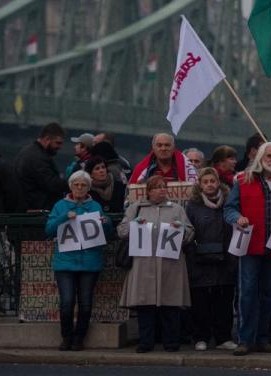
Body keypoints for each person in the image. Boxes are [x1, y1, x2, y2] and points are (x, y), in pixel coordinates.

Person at [223, 141, 271, 356]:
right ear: (260, 158)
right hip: (249, 246)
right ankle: (245, 339)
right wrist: (237, 218)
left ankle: (263, 337)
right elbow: (229, 208)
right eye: (270, 156)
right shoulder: (243, 180)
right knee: (247, 293)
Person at [119, 175, 194, 352]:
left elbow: (190, 232)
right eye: (157, 187)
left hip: (170, 264)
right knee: (145, 305)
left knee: (170, 304)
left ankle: (171, 342)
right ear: (149, 191)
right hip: (143, 263)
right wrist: (133, 225)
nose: (162, 190)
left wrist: (181, 231)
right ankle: (146, 341)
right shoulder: (135, 208)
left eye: (164, 187)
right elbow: (121, 231)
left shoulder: (176, 209)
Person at [45, 171, 112, 351]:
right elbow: (49, 230)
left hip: (90, 261)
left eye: (83, 185)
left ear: (89, 187)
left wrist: (106, 222)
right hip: (65, 262)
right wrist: (65, 216)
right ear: (71, 186)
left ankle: (79, 338)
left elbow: (108, 233)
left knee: (85, 303)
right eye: (76, 185)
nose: (80, 188)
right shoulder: (60, 205)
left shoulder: (95, 206)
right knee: (66, 302)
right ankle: (66, 336)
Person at [185, 167, 236, 352]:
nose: (209, 185)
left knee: (223, 302)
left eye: (212, 181)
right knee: (200, 303)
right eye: (205, 182)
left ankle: (224, 337)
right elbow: (188, 230)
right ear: (200, 184)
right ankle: (201, 336)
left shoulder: (229, 203)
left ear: (218, 182)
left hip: (225, 260)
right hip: (199, 261)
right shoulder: (192, 205)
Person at [15, 122, 69, 211]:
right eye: (58, 143)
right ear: (47, 139)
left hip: (28, 207)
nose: (60, 147)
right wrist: (74, 182)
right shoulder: (38, 158)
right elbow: (52, 184)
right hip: (38, 210)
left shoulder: (27, 151)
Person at [130, 133, 196, 184]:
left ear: (173, 148)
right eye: (159, 145)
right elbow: (129, 194)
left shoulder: (187, 168)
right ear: (153, 148)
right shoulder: (141, 170)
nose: (163, 148)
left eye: (167, 145)